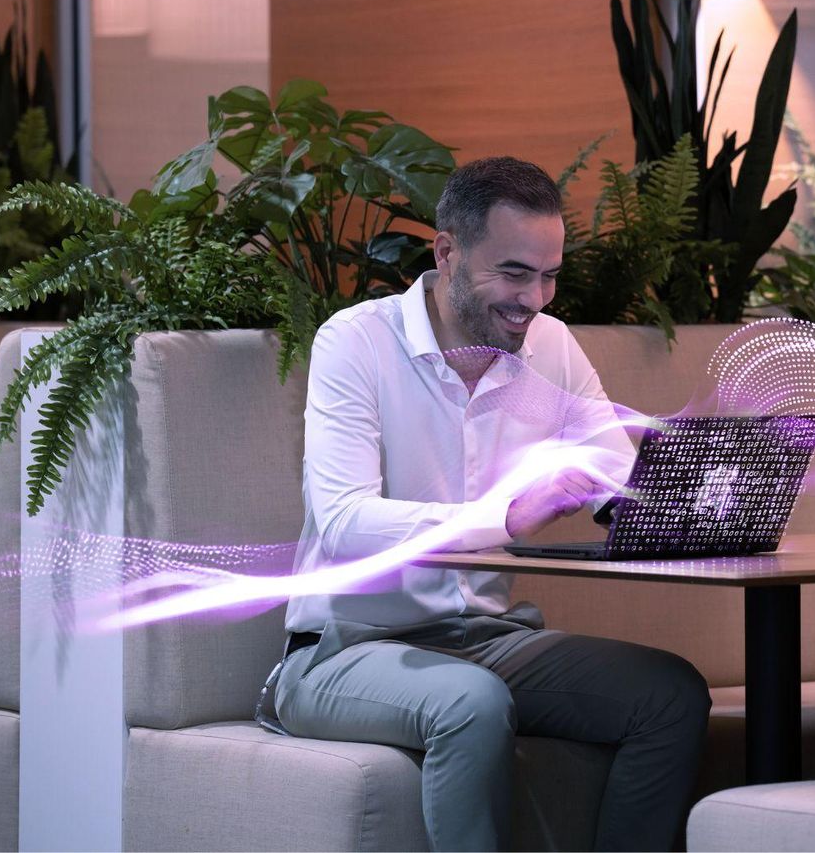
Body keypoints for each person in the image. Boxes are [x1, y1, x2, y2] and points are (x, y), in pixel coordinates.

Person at [264, 156, 711, 852]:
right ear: (446, 251)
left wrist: (691, 505)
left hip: (491, 642)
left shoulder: (550, 346)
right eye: (514, 273)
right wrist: (503, 519)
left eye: (550, 276)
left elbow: (613, 476)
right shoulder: (356, 342)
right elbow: (345, 522)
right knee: (471, 704)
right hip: (343, 649)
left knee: (668, 696)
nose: (535, 299)